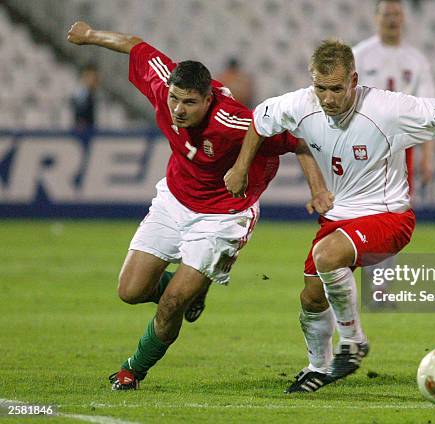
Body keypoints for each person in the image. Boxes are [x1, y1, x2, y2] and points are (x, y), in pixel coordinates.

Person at [224, 39, 435, 393]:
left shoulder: (389, 108)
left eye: (336, 89)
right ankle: (318, 366)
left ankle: (353, 341)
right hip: (337, 219)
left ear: (353, 80)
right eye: (320, 88)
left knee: (327, 257)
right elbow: (260, 121)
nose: (327, 98)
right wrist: (239, 168)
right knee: (311, 297)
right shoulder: (299, 104)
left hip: (388, 217)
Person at [66, 21, 329, 390]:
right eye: (175, 98)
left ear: (208, 99)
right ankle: (193, 287)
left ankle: (132, 369)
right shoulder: (164, 86)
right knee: (130, 291)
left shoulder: (232, 119)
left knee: (172, 303)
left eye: (190, 102)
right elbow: (133, 44)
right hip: (174, 200)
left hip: (224, 215)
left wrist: (316, 190)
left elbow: (296, 140)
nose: (178, 109)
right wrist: (90, 36)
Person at [353, 0, 435, 290]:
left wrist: (428, 155)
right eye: (387, 14)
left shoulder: (416, 60)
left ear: (404, 19)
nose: (392, 20)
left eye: (397, 14)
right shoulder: (360, 55)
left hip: (402, 145)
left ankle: (380, 283)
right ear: (376, 18)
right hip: (364, 143)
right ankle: (366, 278)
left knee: (394, 212)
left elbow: (427, 111)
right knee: (365, 210)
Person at [71, 62, 99, 130]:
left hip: (90, 126)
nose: (95, 79)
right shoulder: (80, 92)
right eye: (92, 76)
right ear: (85, 76)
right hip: (83, 128)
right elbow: (79, 112)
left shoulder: (93, 93)